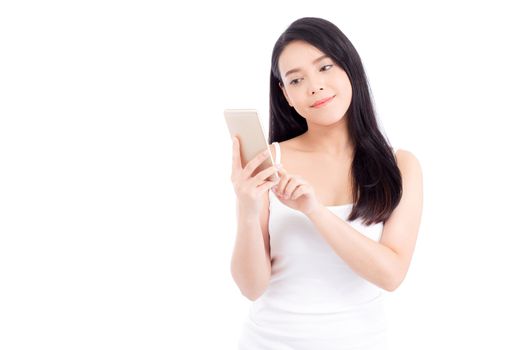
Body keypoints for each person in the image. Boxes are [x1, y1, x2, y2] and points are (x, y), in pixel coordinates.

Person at [229, 17, 423, 350]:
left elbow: (391, 275)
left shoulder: (401, 165)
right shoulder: (270, 161)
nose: (314, 86)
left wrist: (314, 211)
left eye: (325, 67)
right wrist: (247, 210)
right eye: (296, 79)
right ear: (285, 94)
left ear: (350, 68)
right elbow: (251, 288)